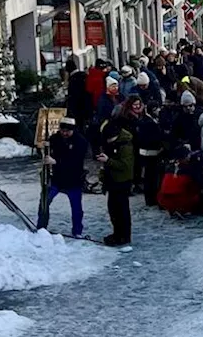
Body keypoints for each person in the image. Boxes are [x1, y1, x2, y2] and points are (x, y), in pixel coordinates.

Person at [96, 97, 139, 246]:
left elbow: (125, 166)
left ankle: (123, 236)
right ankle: (117, 233)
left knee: (121, 210)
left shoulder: (125, 144)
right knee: (113, 210)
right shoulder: (113, 140)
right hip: (113, 180)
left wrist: (108, 161)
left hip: (122, 181)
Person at [41, 117, 90, 237]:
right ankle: (41, 227)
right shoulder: (54, 138)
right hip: (57, 178)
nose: (65, 133)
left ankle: (77, 231)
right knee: (44, 201)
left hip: (74, 179)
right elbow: (47, 152)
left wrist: (56, 161)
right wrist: (44, 150)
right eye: (62, 130)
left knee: (76, 208)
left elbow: (75, 161)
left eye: (68, 131)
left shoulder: (81, 141)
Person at [133, 102, 165, 208]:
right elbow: (150, 138)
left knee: (149, 176)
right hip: (151, 152)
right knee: (151, 176)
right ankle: (151, 199)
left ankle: (151, 198)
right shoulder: (148, 122)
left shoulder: (146, 120)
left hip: (147, 152)